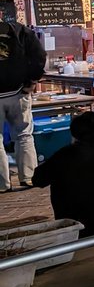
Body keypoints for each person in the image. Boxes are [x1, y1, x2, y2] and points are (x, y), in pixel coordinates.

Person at [0, 17, 46, 192]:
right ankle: (28, 177)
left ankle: (2, 184)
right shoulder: (19, 30)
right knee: (24, 135)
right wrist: (32, 80)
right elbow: (40, 55)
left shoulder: (20, 31)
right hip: (19, 92)